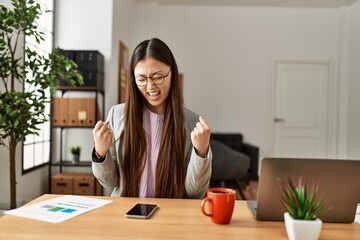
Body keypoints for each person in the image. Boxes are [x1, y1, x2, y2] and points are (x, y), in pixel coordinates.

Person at [91, 38, 212, 199]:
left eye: (158, 77)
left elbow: (194, 192)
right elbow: (110, 182)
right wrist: (100, 153)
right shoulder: (117, 115)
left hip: (171, 216)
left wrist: (201, 152)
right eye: (141, 79)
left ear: (172, 74)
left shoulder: (191, 123)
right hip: (127, 214)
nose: (150, 87)